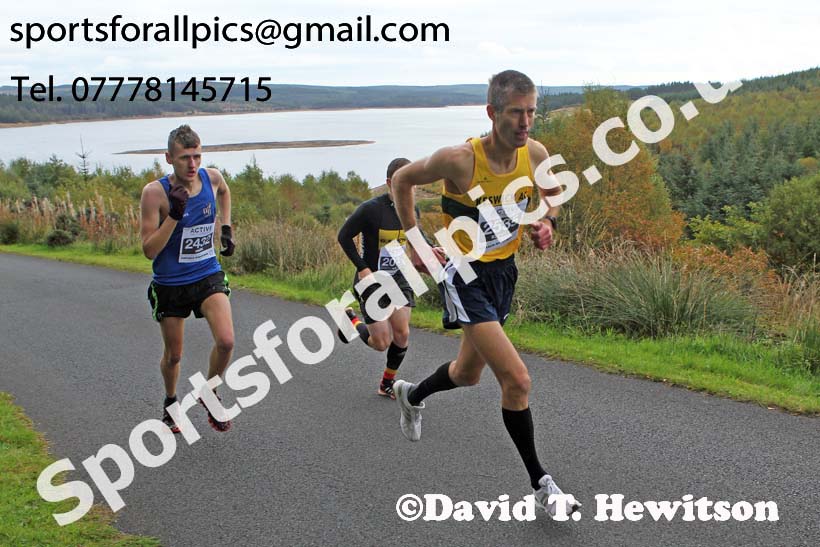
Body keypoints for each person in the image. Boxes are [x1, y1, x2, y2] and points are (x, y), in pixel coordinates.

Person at [390, 70, 580, 517]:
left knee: (467, 373)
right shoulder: (460, 160)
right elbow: (401, 180)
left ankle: (411, 395)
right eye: (515, 112)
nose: (525, 122)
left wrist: (547, 221)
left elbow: (553, 194)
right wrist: (416, 244)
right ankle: (542, 485)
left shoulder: (535, 153)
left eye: (531, 112)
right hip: (464, 274)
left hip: (503, 274)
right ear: (492, 112)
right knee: (517, 380)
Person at [140, 124, 236, 433]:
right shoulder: (154, 193)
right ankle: (171, 403)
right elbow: (149, 250)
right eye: (184, 158)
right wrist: (174, 215)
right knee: (174, 355)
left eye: (197, 156)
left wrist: (226, 227)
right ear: (169, 158)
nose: (192, 164)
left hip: (206, 273)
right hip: (171, 284)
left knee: (226, 341)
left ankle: (210, 392)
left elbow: (224, 191)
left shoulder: (211, 178)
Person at [336, 158, 443, 399]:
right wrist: (362, 268)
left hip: (400, 277)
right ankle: (350, 320)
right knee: (381, 343)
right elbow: (343, 237)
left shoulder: (412, 209)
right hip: (372, 279)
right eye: (403, 183)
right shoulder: (371, 209)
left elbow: (415, 233)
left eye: (412, 183)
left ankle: (386, 383)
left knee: (402, 334)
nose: (408, 189)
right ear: (389, 183)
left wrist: (430, 247)